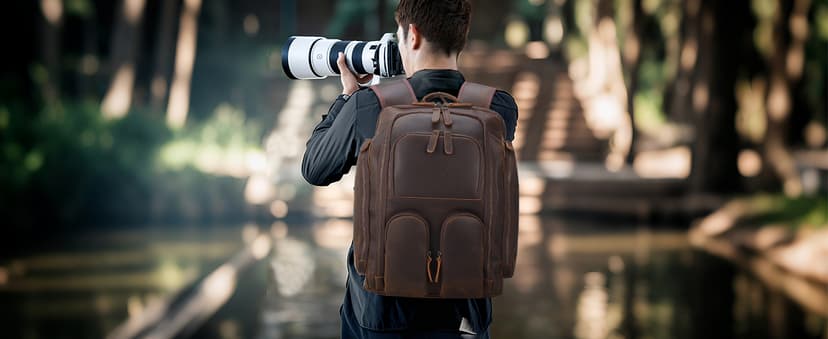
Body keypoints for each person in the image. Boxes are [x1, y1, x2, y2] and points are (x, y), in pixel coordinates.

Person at [301, 1, 518, 338]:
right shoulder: (498, 108)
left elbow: (314, 168)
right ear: (461, 35)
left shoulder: (370, 105)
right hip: (466, 314)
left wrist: (347, 96)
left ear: (412, 35)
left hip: (382, 314)